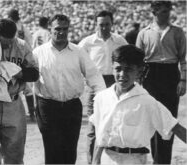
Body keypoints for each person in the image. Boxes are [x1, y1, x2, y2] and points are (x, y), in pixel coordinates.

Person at [90, 45, 186, 165]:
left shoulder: (147, 102)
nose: (122, 74)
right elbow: (100, 134)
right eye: (118, 69)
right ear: (112, 67)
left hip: (134, 160)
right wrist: (95, 161)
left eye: (129, 69)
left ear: (139, 71)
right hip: (107, 158)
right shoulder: (101, 98)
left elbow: (175, 128)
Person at [33, 14, 106, 164]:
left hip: (71, 107)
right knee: (52, 150)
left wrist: (103, 98)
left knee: (69, 150)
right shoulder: (39, 53)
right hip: (48, 107)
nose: (61, 32)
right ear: (50, 29)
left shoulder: (78, 52)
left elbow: (93, 75)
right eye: (57, 29)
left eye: (65, 29)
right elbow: (30, 81)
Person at [0, 18, 39, 164]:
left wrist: (19, 72)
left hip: (13, 103)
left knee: (15, 156)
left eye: (11, 40)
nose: (9, 44)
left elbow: (34, 74)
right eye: (5, 41)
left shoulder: (21, 45)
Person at [136, 1, 186, 164]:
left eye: (168, 12)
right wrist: (138, 81)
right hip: (151, 76)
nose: (167, 15)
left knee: (169, 119)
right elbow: (138, 60)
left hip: (171, 74)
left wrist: (183, 80)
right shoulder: (144, 33)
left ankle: (164, 161)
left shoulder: (177, 32)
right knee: (153, 118)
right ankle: (157, 159)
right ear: (154, 12)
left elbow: (183, 59)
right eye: (163, 12)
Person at [78, 10, 128, 164]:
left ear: (112, 24)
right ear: (96, 24)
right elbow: (78, 62)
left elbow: (129, 59)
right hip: (95, 85)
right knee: (94, 126)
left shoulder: (120, 41)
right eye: (101, 25)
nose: (104, 28)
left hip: (116, 84)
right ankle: (91, 161)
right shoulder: (87, 42)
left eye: (107, 24)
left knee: (116, 123)